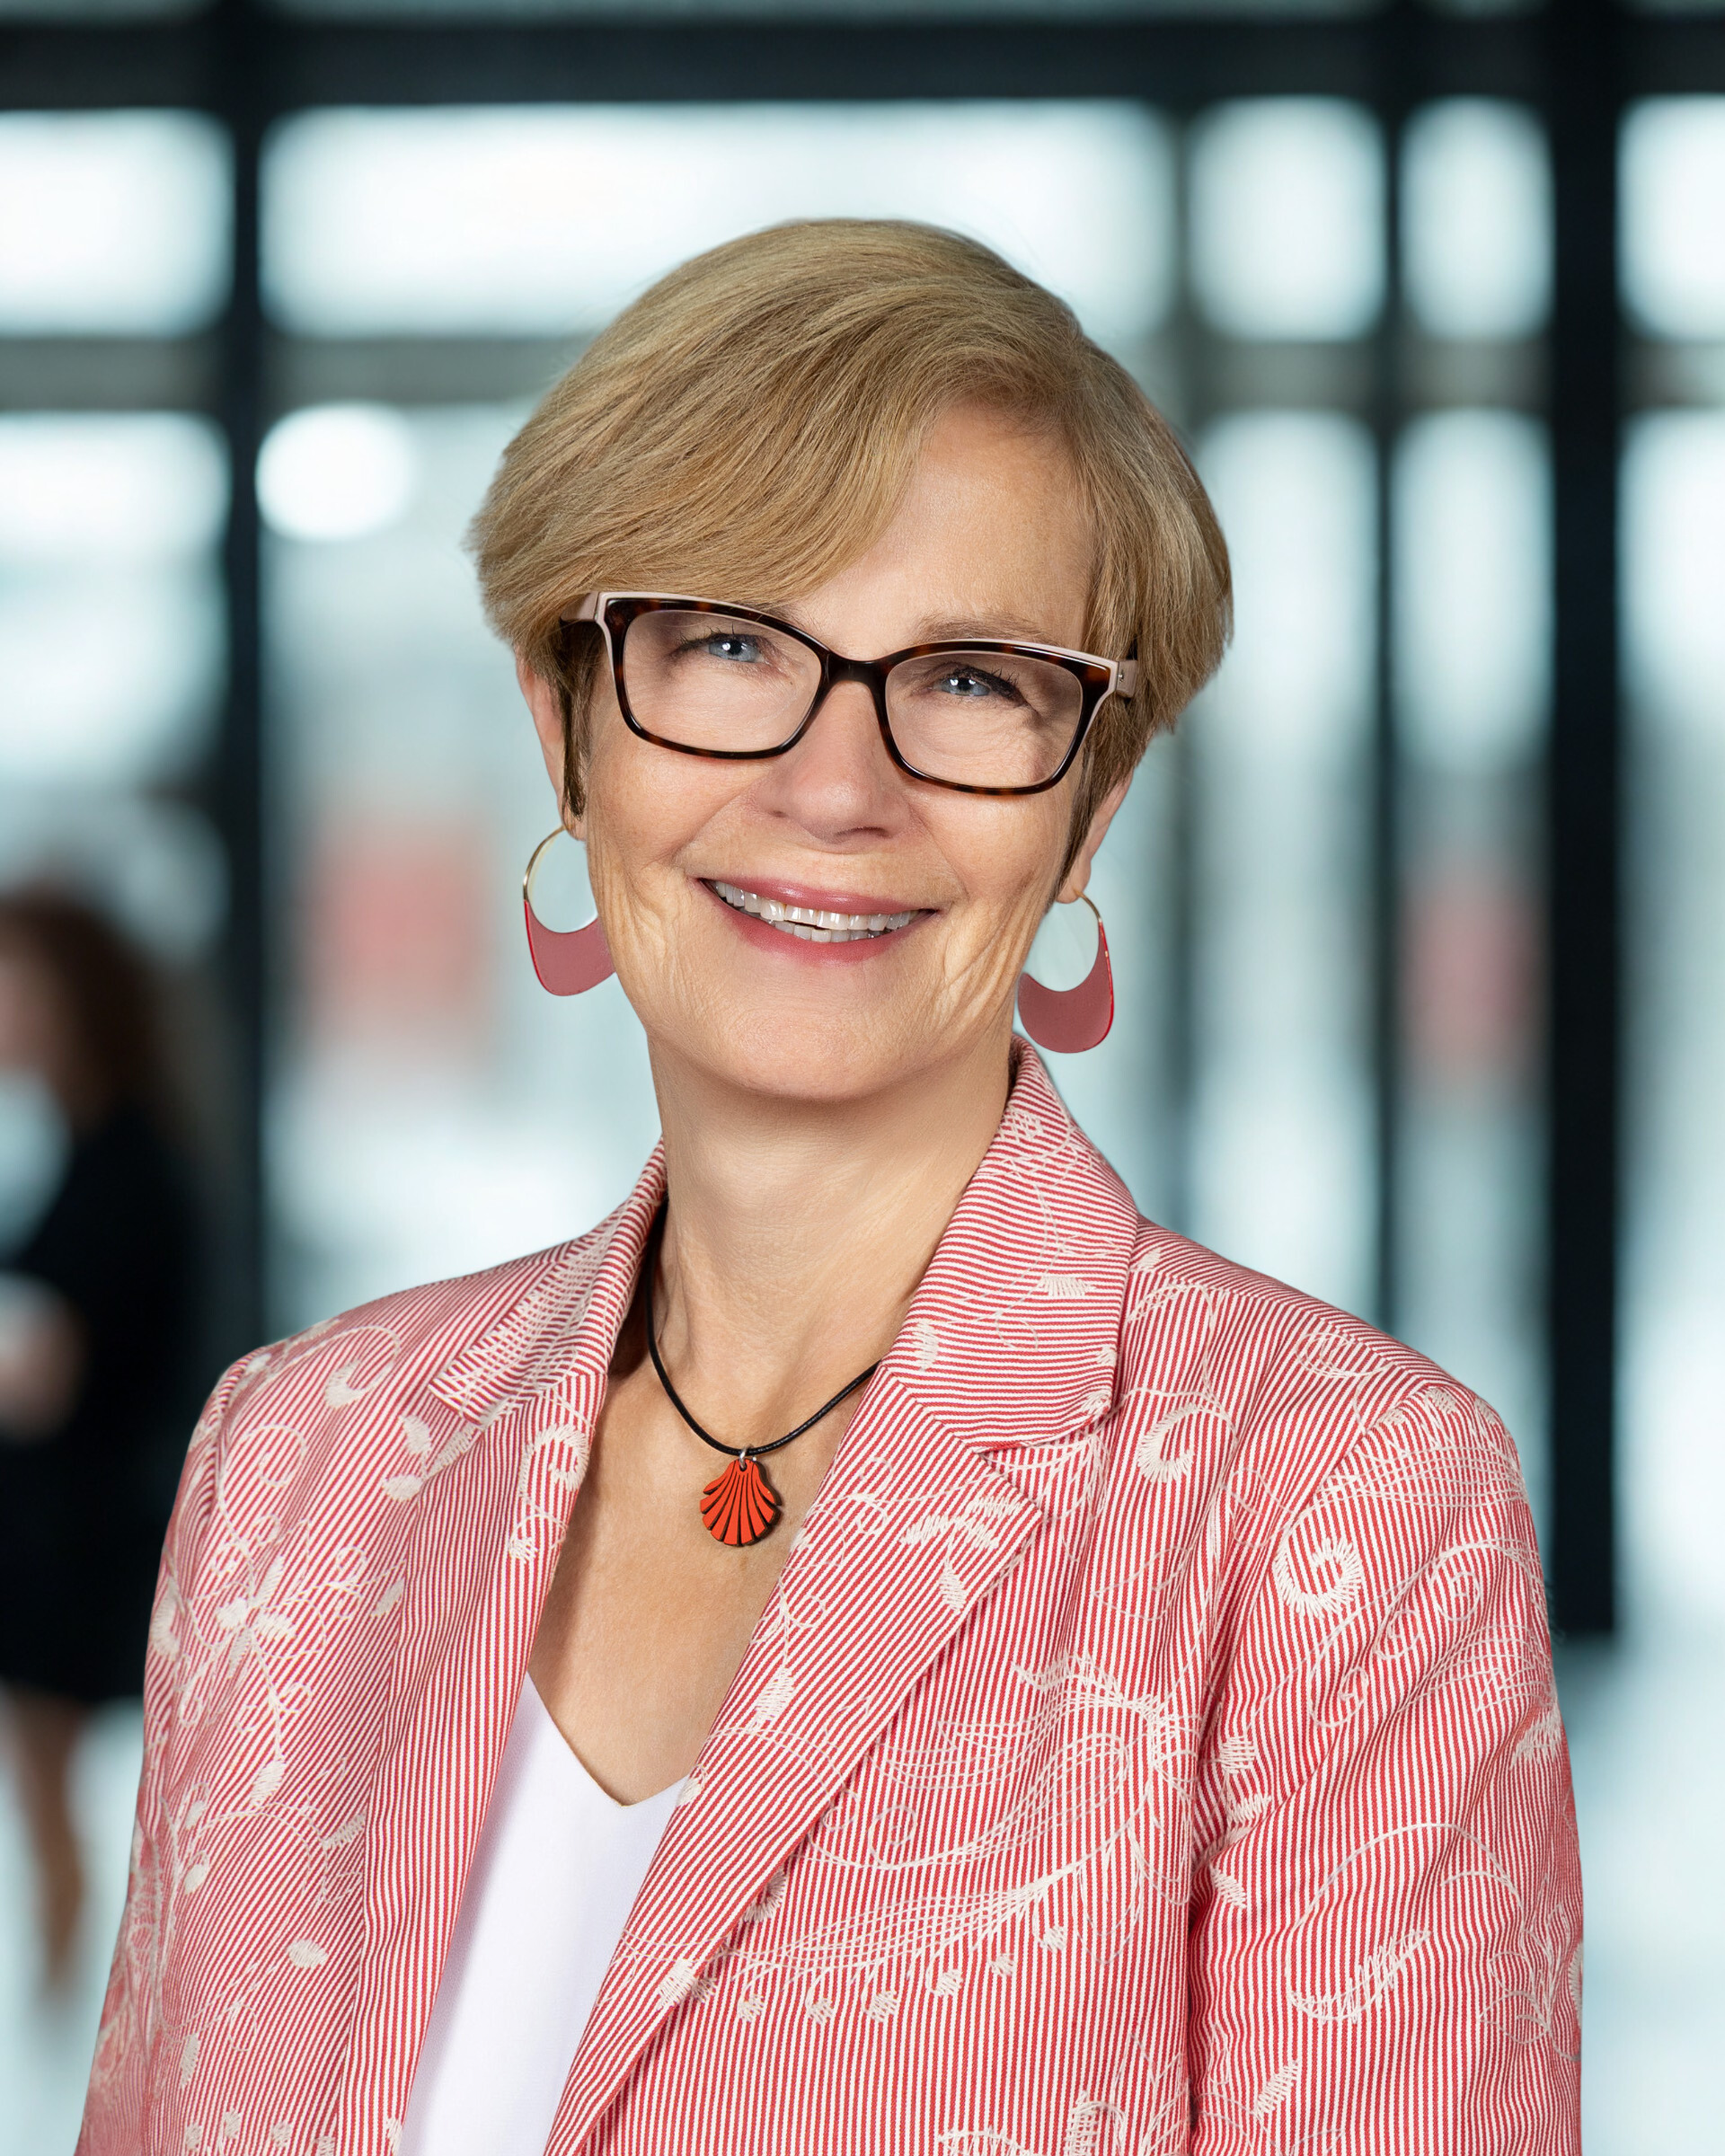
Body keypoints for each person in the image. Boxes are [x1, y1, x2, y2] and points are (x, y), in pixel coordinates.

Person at [80, 222, 1580, 2154]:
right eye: (729, 645)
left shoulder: (1348, 1508)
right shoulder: (299, 1459)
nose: (836, 785)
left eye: (969, 677)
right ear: (566, 731)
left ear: (1090, 805)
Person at [0, 890, 201, 1993]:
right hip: (60, 1541)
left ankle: (62, 2029)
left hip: (83, 1549)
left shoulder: (127, 1166)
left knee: (67, 1835)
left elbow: (46, 1374)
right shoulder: (76, 1150)